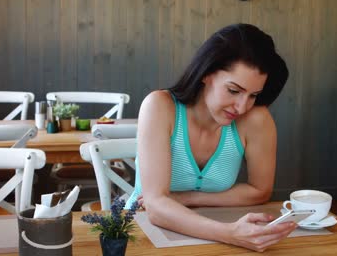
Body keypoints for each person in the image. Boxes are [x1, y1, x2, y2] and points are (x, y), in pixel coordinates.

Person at [125, 23, 293, 252]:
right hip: (141, 234)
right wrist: (230, 234)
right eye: (234, 90)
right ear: (206, 74)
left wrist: (187, 198)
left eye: (253, 95)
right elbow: (155, 205)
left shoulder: (256, 120)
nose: (242, 106)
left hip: (213, 235)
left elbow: (260, 191)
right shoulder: (160, 107)